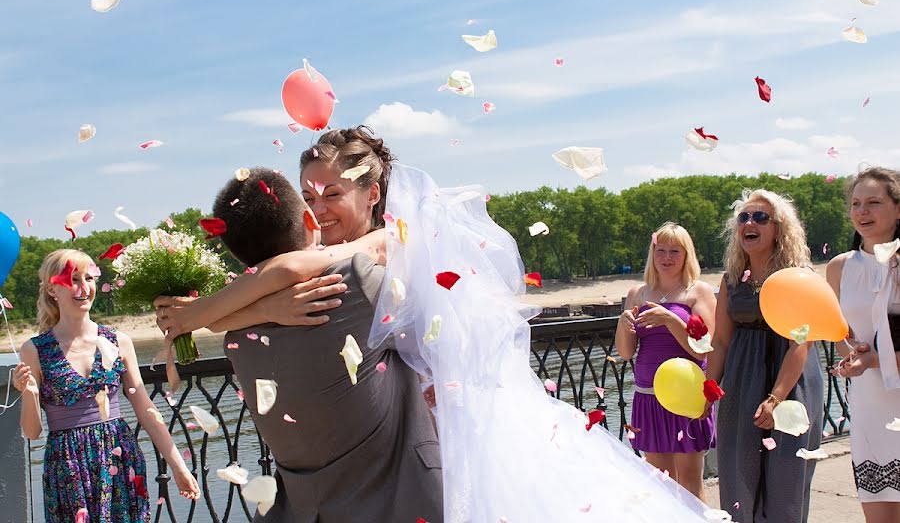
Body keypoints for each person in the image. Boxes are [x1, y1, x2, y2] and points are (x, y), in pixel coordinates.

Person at [158, 130, 712, 521]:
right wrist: (265, 310)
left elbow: (287, 268)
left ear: (373, 193)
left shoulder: (389, 245)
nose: (318, 210)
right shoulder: (346, 262)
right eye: (309, 197)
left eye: (332, 194)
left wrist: (203, 315)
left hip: (440, 439)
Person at [157, 163, 442, 519]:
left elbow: (278, 277)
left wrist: (236, 311)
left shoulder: (239, 338)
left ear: (237, 255)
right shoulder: (351, 283)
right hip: (401, 502)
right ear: (310, 222)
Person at [12, 249, 199, 522]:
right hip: (68, 468)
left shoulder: (118, 341)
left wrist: (178, 466)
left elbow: (146, 410)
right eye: (73, 279)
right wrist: (29, 394)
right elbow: (32, 432)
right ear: (53, 289)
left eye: (89, 278)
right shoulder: (34, 350)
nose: (84, 287)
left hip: (119, 458)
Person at [706, 189, 824, 522]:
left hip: (791, 382)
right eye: (743, 217)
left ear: (779, 228)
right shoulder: (730, 280)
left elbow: (801, 344)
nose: (749, 223)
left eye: (760, 217)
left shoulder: (799, 278)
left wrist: (776, 400)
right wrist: (708, 390)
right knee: (738, 476)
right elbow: (722, 342)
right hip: (742, 383)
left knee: (786, 478)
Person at [615, 222, 717, 499]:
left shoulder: (698, 292)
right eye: (661, 250)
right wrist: (623, 325)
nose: (667, 258)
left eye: (675, 251)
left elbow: (703, 350)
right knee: (660, 484)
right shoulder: (638, 293)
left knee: (689, 482)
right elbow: (625, 353)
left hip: (687, 396)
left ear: (687, 255)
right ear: (653, 253)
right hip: (648, 396)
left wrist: (671, 319)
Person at [825, 166, 900, 522]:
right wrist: (852, 358)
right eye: (856, 203)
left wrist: (872, 362)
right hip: (868, 404)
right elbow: (840, 332)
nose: (862, 211)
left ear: (898, 209)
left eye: (873, 202)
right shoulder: (840, 268)